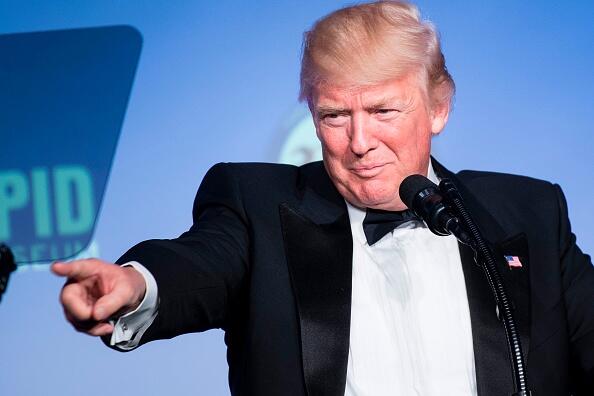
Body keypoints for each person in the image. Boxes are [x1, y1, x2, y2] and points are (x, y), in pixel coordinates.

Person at [52, 1, 594, 395]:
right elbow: (198, 265)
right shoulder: (257, 204)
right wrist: (135, 284)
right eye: (335, 115)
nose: (359, 143)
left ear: (438, 108)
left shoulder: (530, 212)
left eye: (383, 111)